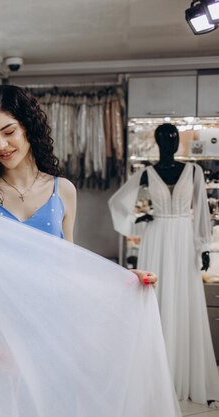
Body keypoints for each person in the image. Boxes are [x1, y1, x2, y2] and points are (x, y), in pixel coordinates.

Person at [0, 84, 156, 287]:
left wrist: (123, 278)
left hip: (50, 307)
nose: (1, 146)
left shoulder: (63, 190)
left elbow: (68, 265)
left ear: (28, 127)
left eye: (9, 132)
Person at [109, 123, 219, 405]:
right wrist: (137, 220)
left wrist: (203, 246)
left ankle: (184, 374)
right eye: (163, 138)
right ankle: (156, 376)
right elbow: (118, 202)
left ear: (176, 141)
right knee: (156, 300)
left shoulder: (193, 171)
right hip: (156, 239)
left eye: (172, 137)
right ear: (157, 142)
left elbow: (202, 213)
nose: (168, 142)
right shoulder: (146, 173)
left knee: (184, 300)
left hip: (184, 240)